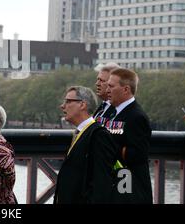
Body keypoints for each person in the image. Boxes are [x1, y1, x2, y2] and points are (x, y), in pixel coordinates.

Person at [54, 86, 117, 204]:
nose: (62, 106)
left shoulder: (98, 135)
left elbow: (101, 183)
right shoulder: (81, 133)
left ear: (82, 105)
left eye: (68, 101)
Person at [106, 68, 153, 203]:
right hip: (113, 185)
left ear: (126, 89)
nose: (107, 90)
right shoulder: (111, 112)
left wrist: (108, 147)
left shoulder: (136, 116)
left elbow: (138, 154)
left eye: (111, 86)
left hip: (128, 189)